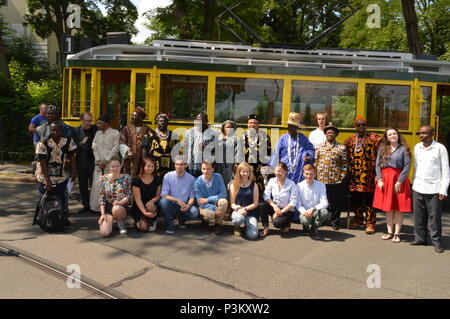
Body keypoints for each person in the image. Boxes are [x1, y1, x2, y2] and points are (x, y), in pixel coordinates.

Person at [411, 125, 450, 253]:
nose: (421, 135)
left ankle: (436, 241)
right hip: (418, 186)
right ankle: (420, 238)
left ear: (432, 134)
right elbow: (416, 167)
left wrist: (443, 189)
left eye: (424, 133)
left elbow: (445, 170)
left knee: (434, 217)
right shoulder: (417, 147)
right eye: (420, 133)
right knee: (418, 216)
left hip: (434, 188)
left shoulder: (440, 148)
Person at [372, 128, 412, 243]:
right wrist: (379, 179)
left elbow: (407, 166)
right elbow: (377, 165)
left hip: (399, 180)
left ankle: (397, 234)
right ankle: (389, 232)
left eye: (394, 133)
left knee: (399, 208)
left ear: (398, 135)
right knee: (388, 208)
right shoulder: (382, 149)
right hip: (385, 179)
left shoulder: (404, 149)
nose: (393, 136)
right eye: (390, 134)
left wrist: (399, 181)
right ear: (387, 137)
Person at [344, 116, 382, 234]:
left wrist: (378, 174)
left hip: (369, 176)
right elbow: (343, 154)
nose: (361, 127)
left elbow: (381, 156)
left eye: (364, 125)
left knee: (370, 201)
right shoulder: (350, 140)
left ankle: (370, 223)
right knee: (356, 199)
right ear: (355, 127)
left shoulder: (375, 138)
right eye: (359, 125)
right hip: (354, 177)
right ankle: (358, 220)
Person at [35, 122, 77, 224]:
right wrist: (47, 180)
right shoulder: (43, 142)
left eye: (57, 130)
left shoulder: (67, 140)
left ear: (61, 130)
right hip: (44, 175)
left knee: (62, 198)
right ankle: (44, 219)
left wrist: (74, 171)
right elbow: (42, 162)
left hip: (61, 175)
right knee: (44, 198)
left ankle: (62, 219)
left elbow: (72, 156)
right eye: (52, 130)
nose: (54, 132)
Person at [314, 125, 348, 230]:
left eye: (332, 133)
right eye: (328, 132)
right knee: (321, 201)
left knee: (335, 203)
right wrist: (315, 176)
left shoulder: (341, 148)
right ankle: (321, 220)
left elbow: (345, 164)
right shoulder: (319, 147)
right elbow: (315, 162)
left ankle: (335, 222)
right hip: (321, 180)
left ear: (336, 135)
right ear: (325, 134)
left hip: (335, 180)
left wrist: (341, 177)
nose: (330, 134)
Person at [269, 112, 314, 183]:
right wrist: (272, 169)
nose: (290, 128)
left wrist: (308, 155)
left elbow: (310, 149)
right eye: (289, 126)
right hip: (284, 171)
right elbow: (276, 154)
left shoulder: (303, 139)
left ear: (297, 127)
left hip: (299, 173)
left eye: (293, 126)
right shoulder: (283, 138)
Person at [159, 156, 199, 234]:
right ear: (174, 165)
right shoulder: (167, 176)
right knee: (163, 202)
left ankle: (182, 219)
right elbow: (164, 195)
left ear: (185, 165)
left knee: (194, 212)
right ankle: (169, 224)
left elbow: (192, 197)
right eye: (177, 164)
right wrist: (177, 200)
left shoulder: (191, 179)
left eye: (181, 164)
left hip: (184, 205)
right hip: (171, 204)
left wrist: (188, 205)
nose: (179, 166)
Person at [90, 114, 120, 212]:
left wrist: (106, 160)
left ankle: (110, 208)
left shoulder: (115, 133)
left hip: (110, 164)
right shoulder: (98, 133)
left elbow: (115, 148)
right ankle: (96, 208)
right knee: (97, 184)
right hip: (99, 164)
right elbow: (94, 147)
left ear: (106, 124)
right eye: (97, 123)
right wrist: (98, 160)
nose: (97, 125)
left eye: (100, 123)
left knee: (110, 185)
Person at [260, 162, 298, 237]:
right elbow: (266, 196)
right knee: (263, 206)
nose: (277, 173)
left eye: (280, 171)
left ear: (286, 172)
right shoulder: (271, 181)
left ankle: (287, 223)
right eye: (276, 171)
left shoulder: (291, 184)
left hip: (287, 210)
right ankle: (266, 228)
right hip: (276, 207)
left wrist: (280, 212)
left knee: (277, 223)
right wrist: (274, 207)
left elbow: (293, 202)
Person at [98, 158, 132, 237]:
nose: (115, 168)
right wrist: (102, 214)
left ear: (121, 167)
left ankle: (120, 222)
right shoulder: (104, 178)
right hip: (109, 206)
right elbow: (102, 197)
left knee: (116, 208)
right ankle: (110, 220)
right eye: (112, 166)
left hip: (121, 206)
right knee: (104, 233)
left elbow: (129, 195)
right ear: (109, 167)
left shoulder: (127, 178)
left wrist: (119, 203)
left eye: (117, 166)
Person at [297, 164, 330, 240]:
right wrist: (305, 212)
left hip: (315, 210)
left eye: (311, 174)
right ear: (303, 173)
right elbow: (298, 204)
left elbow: (325, 203)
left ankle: (313, 228)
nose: (308, 176)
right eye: (306, 174)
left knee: (325, 212)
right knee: (305, 221)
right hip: (304, 211)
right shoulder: (299, 186)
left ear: (315, 174)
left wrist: (313, 209)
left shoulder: (321, 185)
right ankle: (306, 224)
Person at [193, 161, 228, 235]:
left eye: (208, 169)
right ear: (201, 169)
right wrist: (215, 209)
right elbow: (200, 202)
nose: (205, 171)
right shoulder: (197, 182)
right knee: (210, 215)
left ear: (212, 169)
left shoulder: (218, 177)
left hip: (214, 202)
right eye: (203, 169)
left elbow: (223, 194)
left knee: (224, 202)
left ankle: (217, 224)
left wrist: (207, 199)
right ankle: (205, 220)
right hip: (204, 206)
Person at [242, 114, 271, 197]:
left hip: (259, 169)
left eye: (254, 123)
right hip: (245, 169)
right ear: (247, 124)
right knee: (245, 190)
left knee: (259, 191)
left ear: (258, 125)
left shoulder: (265, 137)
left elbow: (268, 153)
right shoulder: (242, 136)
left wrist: (265, 166)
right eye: (250, 123)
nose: (252, 125)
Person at [73, 112, 97, 213]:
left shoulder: (95, 129)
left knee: (94, 184)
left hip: (93, 161)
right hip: (81, 161)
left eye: (90, 120)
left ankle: (93, 206)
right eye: (86, 121)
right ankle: (85, 205)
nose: (88, 123)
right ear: (81, 120)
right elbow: (72, 146)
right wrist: (81, 143)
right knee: (82, 185)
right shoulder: (76, 130)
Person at [131, 157, 161, 233]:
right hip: (139, 207)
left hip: (151, 205)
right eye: (148, 166)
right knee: (143, 228)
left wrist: (152, 201)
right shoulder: (136, 180)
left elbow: (158, 196)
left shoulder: (157, 179)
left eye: (152, 166)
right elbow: (138, 200)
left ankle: (152, 220)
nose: (150, 168)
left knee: (151, 206)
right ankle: (140, 220)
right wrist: (144, 212)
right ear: (143, 167)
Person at [229, 163, 259, 239]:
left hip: (250, 213)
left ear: (250, 172)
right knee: (238, 219)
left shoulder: (254, 185)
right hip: (238, 212)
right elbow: (232, 203)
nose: (245, 174)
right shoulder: (233, 185)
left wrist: (244, 209)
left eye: (247, 171)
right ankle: (237, 226)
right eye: (243, 171)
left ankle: (247, 225)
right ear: (239, 172)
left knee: (253, 235)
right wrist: (239, 209)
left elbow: (255, 203)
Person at [120, 107, 151, 176]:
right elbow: (121, 142)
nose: (132, 117)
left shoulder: (148, 130)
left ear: (140, 118)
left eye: (134, 116)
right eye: (132, 115)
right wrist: (127, 151)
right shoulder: (126, 129)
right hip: (129, 159)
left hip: (142, 159)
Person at [184, 113, 218, 178]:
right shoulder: (190, 132)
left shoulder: (214, 133)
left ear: (207, 121)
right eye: (197, 120)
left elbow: (219, 148)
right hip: (192, 166)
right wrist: (185, 162)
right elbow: (186, 148)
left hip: (208, 166)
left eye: (201, 120)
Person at [215, 120, 241, 188]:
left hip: (229, 168)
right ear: (223, 128)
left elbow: (238, 153)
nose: (229, 129)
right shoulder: (218, 139)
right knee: (218, 185)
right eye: (227, 127)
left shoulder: (236, 139)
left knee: (228, 186)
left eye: (230, 127)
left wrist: (236, 164)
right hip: (217, 167)